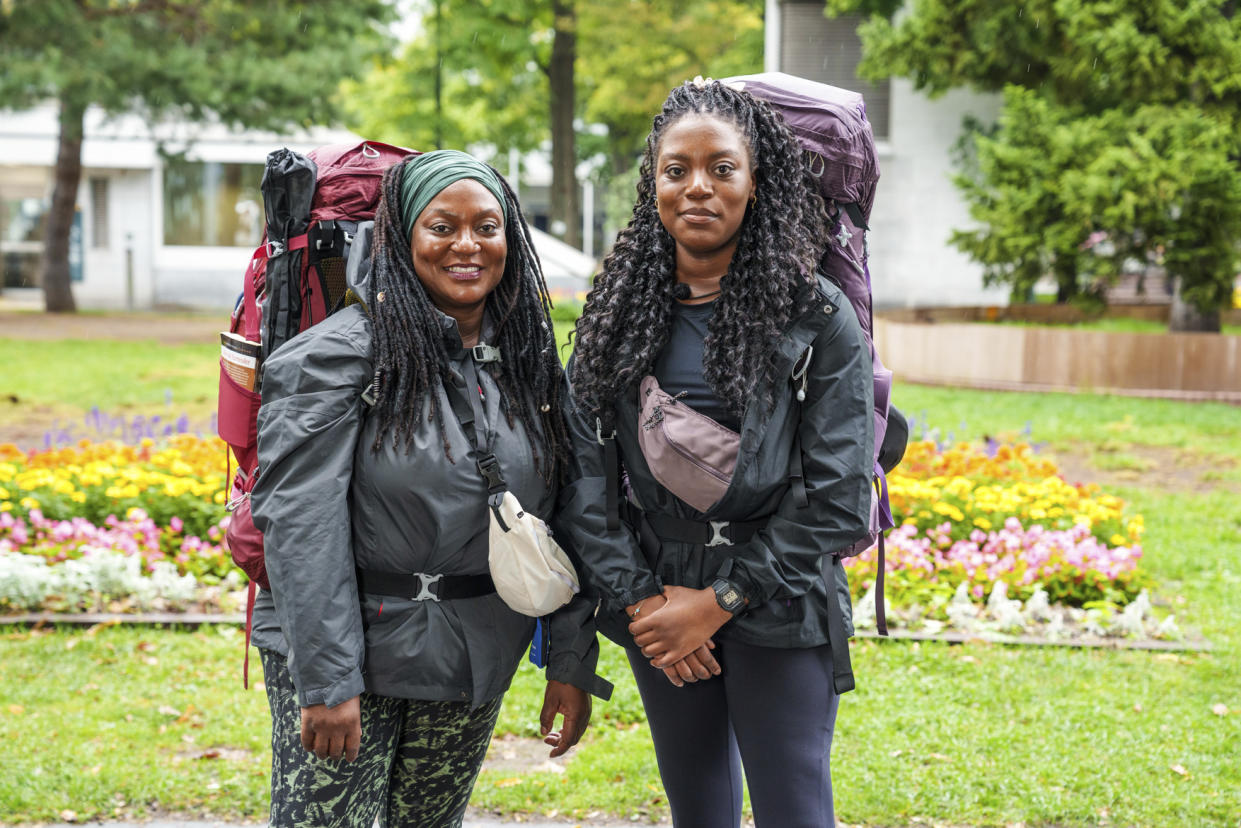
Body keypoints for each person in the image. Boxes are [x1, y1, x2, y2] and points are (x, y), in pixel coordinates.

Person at [248, 150, 610, 828]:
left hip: (471, 649)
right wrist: (328, 682)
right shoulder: (334, 358)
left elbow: (568, 514)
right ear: (403, 236)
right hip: (353, 654)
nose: (467, 245)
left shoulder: (528, 362)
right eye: (442, 227)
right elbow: (303, 523)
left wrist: (568, 657)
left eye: (487, 226)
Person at [558, 79, 875, 827]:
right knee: (697, 811)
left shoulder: (814, 316)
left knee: (793, 809)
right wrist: (644, 600)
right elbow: (583, 484)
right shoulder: (615, 315)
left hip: (781, 596)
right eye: (676, 170)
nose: (697, 187)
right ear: (653, 183)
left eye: (721, 168)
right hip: (660, 599)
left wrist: (722, 602)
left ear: (756, 181)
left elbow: (837, 499)